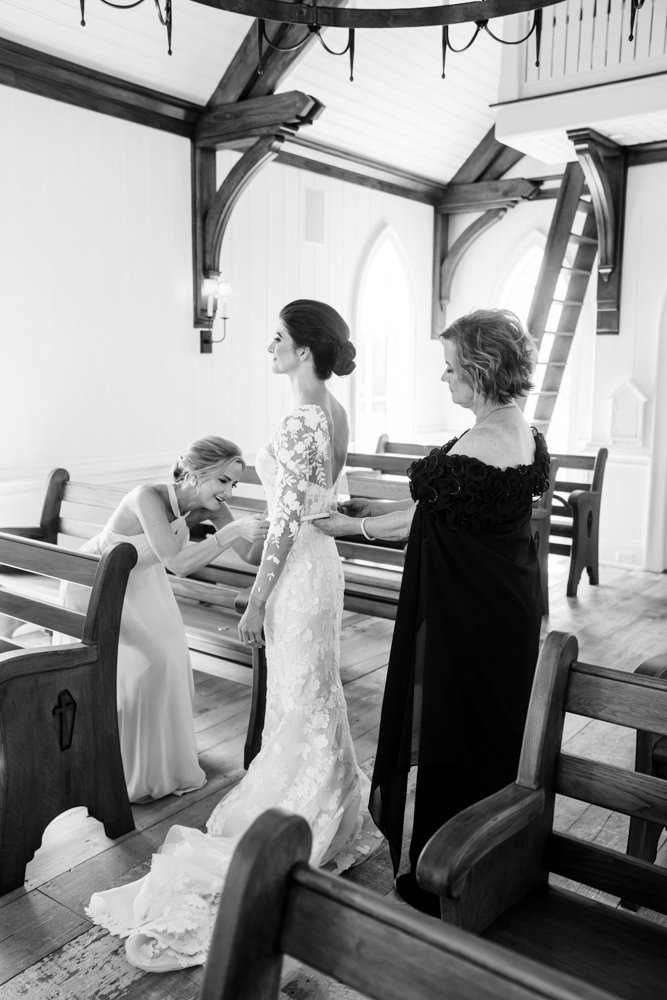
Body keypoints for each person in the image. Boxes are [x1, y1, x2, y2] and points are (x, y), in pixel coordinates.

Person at [85, 300, 382, 970]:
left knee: (302, 688)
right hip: (316, 564)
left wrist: (256, 596)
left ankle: (304, 808)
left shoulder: (304, 414)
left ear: (303, 350)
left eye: (277, 338)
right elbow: (314, 506)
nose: (269, 348)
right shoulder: (334, 410)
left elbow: (284, 522)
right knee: (309, 690)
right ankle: (324, 796)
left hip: (300, 572)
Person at [315, 308, 550, 916]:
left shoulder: (482, 440)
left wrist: (352, 525)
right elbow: (441, 513)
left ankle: (455, 876)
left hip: (472, 621)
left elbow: (425, 516)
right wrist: (358, 523)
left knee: (461, 733)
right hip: (508, 611)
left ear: (480, 368)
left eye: (450, 368)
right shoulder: (516, 426)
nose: (444, 379)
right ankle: (495, 862)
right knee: (495, 736)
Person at [58, 437, 269, 803]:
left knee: (172, 659)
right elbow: (178, 564)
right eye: (223, 481)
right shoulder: (147, 498)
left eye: (234, 484)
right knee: (148, 662)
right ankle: (111, 763)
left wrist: (275, 527)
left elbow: (250, 555)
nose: (229, 493)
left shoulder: (211, 508)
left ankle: (157, 764)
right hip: (96, 585)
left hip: (143, 584)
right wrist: (232, 530)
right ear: (195, 472)